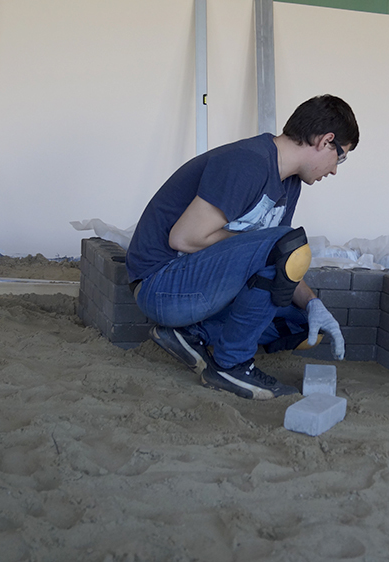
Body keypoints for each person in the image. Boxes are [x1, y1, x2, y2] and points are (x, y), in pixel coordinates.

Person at [125, 95, 359, 400]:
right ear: (325, 141)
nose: (335, 170)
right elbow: (183, 238)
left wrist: (313, 303)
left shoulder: (289, 184)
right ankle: (230, 365)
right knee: (286, 243)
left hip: (200, 292)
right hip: (162, 286)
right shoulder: (248, 162)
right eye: (341, 157)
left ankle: (192, 333)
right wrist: (257, 247)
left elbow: (277, 259)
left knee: (302, 323)